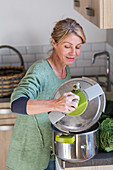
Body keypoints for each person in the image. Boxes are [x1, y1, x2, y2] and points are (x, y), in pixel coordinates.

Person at [6, 18, 86, 170]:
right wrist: (55, 105)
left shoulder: (65, 70)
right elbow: (16, 103)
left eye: (78, 47)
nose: (73, 53)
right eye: (67, 46)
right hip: (28, 157)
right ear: (54, 43)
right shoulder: (40, 70)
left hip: (49, 152)